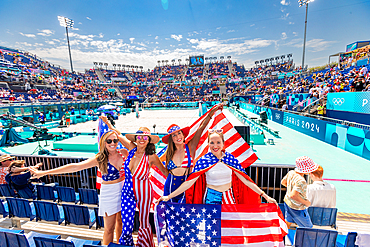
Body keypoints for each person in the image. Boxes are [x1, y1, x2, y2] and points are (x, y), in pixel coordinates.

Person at [30, 131, 128, 245]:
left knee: (120, 223)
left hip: (123, 191)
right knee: (109, 229)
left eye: (115, 140)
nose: (113, 143)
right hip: (109, 194)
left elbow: (136, 148)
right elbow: (75, 167)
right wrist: (45, 173)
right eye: (109, 141)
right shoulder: (100, 158)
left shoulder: (124, 152)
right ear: (103, 142)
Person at [157, 130, 277, 205]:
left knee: (230, 229)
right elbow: (188, 183)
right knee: (212, 232)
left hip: (229, 196)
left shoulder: (230, 159)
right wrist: (168, 196)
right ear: (208, 144)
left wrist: (265, 196)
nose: (215, 146)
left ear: (223, 144)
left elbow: (245, 180)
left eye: (218, 142)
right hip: (211, 197)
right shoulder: (204, 161)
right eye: (212, 143)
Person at [99, 117, 168, 247]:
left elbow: (165, 173)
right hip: (127, 192)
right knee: (127, 224)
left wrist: (181, 176)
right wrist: (108, 123)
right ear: (135, 139)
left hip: (145, 192)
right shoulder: (131, 149)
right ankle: (127, 245)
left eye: (145, 137)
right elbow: (118, 135)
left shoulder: (152, 157)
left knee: (143, 222)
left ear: (148, 141)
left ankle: (144, 244)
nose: (141, 139)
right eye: (139, 137)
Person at [161, 104, 222, 203]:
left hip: (185, 187)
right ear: (171, 139)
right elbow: (158, 163)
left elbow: (201, 128)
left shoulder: (190, 147)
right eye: (174, 135)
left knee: (183, 213)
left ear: (183, 135)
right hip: (169, 186)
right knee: (169, 215)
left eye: (179, 133)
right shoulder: (168, 153)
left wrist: (212, 112)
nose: (177, 137)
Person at [281, 156, 318, 229]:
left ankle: (282, 235)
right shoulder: (301, 181)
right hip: (297, 207)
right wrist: (306, 202)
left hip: (288, 202)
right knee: (308, 228)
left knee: (288, 220)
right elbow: (293, 196)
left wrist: (290, 188)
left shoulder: (291, 173)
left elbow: (283, 182)